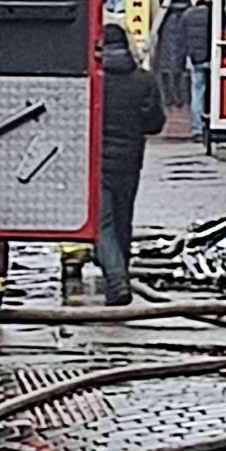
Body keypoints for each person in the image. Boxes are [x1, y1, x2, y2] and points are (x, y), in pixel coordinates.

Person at [96, 23, 165, 306]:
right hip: (130, 162)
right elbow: (156, 124)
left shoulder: (94, 80)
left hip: (97, 162)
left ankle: (116, 280)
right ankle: (119, 272)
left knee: (103, 224)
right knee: (123, 221)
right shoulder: (144, 81)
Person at [182, 0, 213, 142]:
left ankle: (197, 127)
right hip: (214, 57)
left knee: (197, 91)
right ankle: (212, 121)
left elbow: (182, 38)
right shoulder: (215, 14)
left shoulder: (188, 14)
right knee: (213, 91)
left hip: (195, 59)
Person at [154, 0, 190, 110]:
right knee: (178, 70)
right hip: (180, 38)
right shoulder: (186, 7)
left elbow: (161, 1)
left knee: (165, 69)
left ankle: (168, 98)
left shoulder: (166, 9)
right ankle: (179, 98)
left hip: (167, 35)